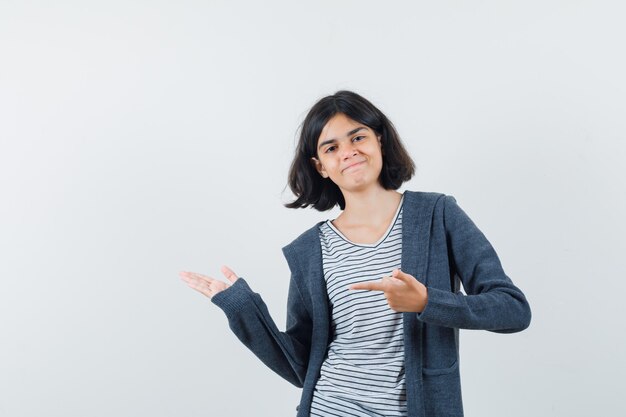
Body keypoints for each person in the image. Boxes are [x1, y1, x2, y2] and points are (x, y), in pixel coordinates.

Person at [179, 90, 532, 417]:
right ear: (320, 166)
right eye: (331, 148)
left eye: (358, 137)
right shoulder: (310, 251)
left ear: (379, 139)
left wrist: (427, 301)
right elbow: (301, 366)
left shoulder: (437, 214)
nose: (347, 151)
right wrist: (243, 309)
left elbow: (513, 309)